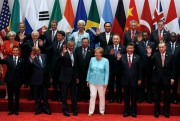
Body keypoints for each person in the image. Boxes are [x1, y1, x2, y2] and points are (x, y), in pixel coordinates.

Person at [147, 42, 174, 118]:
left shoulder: (171, 55)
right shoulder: (155, 55)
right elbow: (149, 65)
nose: (161, 49)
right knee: (157, 97)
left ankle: (166, 112)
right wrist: (149, 55)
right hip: (157, 79)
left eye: (162, 47)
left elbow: (173, 68)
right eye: (160, 47)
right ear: (158, 48)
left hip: (167, 79)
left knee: (167, 97)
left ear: (165, 47)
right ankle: (156, 112)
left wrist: (172, 78)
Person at [117, 43, 142, 118]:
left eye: (132, 48)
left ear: (134, 49)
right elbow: (118, 70)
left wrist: (140, 79)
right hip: (125, 80)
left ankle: (133, 112)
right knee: (126, 97)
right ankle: (126, 111)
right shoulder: (122, 57)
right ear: (126, 49)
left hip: (134, 80)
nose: (130, 49)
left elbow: (140, 69)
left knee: (134, 98)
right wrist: (118, 60)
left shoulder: (138, 57)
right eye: (129, 48)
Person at [42, 30, 66, 101]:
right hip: (54, 66)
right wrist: (42, 46)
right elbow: (47, 50)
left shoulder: (66, 44)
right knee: (55, 82)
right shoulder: (55, 43)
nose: (57, 36)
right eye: (57, 35)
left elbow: (64, 55)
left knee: (61, 83)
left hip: (62, 67)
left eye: (59, 35)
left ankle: (61, 96)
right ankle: (55, 95)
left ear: (63, 37)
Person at [0, 46, 24, 115]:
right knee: (10, 96)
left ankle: (16, 110)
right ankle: (10, 110)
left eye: (16, 50)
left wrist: (22, 82)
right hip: (9, 80)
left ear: (18, 51)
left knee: (17, 96)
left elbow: (23, 72)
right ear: (12, 51)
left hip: (18, 81)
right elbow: (0, 61)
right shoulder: (8, 58)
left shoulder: (21, 60)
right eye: (14, 50)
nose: (15, 51)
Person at [57, 41, 79, 117]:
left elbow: (75, 66)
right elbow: (58, 61)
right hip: (64, 77)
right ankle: (65, 110)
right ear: (67, 46)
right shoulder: (63, 53)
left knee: (74, 95)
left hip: (73, 78)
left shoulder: (75, 53)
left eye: (73, 46)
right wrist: (62, 54)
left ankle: (75, 110)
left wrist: (76, 77)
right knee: (64, 95)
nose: (71, 47)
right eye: (70, 46)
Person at [86, 47, 109, 116]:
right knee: (92, 96)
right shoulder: (92, 59)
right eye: (95, 53)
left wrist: (106, 82)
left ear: (101, 54)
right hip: (92, 81)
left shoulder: (106, 61)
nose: (95, 54)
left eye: (97, 53)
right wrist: (87, 80)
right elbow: (89, 70)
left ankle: (102, 111)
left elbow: (107, 72)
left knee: (101, 96)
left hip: (102, 82)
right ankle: (90, 112)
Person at [28, 47, 51, 115]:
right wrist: (31, 60)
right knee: (37, 96)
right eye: (37, 51)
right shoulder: (30, 58)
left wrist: (50, 77)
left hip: (45, 79)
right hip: (36, 80)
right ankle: (38, 109)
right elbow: (27, 68)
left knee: (45, 96)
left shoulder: (44, 56)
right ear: (33, 52)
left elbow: (48, 67)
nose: (38, 52)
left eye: (39, 50)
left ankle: (46, 109)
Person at [104, 34, 126, 103]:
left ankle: (118, 98)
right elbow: (104, 55)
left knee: (119, 84)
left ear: (119, 40)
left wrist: (120, 58)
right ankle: (111, 98)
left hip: (120, 68)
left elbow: (125, 57)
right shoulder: (108, 47)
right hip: (111, 68)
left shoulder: (123, 48)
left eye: (117, 39)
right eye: (114, 39)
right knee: (111, 84)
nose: (115, 40)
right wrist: (110, 54)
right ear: (112, 40)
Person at [136, 32, 156, 103]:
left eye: (146, 35)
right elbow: (135, 52)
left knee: (149, 83)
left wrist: (150, 56)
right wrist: (137, 43)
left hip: (150, 66)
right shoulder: (139, 43)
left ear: (148, 36)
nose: (144, 37)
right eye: (143, 36)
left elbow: (155, 55)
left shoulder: (153, 44)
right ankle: (141, 97)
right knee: (141, 82)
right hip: (140, 66)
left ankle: (149, 98)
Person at [0, 31, 19, 100]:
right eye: (10, 36)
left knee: (13, 79)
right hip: (6, 62)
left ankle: (13, 94)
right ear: (8, 36)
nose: (11, 37)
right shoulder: (5, 42)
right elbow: (2, 51)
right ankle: (7, 93)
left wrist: (7, 52)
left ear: (14, 36)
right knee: (7, 79)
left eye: (13, 36)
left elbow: (18, 53)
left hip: (14, 61)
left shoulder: (17, 43)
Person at [75, 37, 94, 102]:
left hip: (88, 72)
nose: (84, 43)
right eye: (83, 42)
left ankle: (86, 98)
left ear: (88, 43)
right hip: (79, 71)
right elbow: (76, 62)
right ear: (81, 42)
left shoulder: (91, 50)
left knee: (87, 86)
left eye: (86, 42)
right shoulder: (77, 49)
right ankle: (79, 98)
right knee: (79, 86)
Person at [166, 32, 180, 104]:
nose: (172, 38)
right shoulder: (165, 45)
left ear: (176, 38)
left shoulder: (179, 45)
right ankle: (167, 99)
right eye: (171, 37)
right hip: (167, 68)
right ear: (169, 37)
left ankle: (174, 98)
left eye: (174, 37)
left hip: (177, 68)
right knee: (167, 85)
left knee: (175, 85)